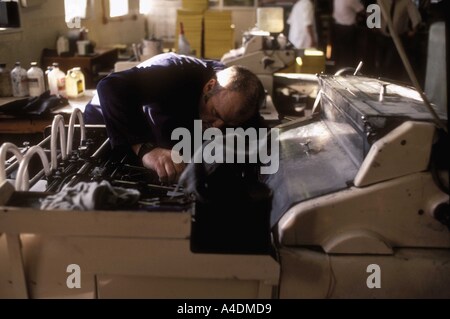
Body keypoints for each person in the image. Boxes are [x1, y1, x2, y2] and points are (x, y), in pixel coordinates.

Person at [84, 52, 266, 184]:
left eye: (228, 123)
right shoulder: (174, 72)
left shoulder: (235, 100)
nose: (217, 126)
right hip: (109, 119)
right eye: (216, 114)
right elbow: (110, 87)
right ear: (210, 87)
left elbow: (259, 136)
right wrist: (146, 149)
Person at [375, 0, 422, 82]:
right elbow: (374, 14)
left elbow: (416, 18)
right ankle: (377, 81)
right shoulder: (382, 1)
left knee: (389, 64)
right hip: (381, 35)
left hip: (396, 39)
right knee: (378, 62)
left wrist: (413, 31)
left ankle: (387, 82)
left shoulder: (407, 2)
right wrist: (374, 28)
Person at [331, 0, 365, 70]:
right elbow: (362, 10)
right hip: (347, 30)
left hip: (337, 28)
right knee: (348, 54)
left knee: (340, 54)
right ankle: (347, 71)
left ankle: (338, 70)